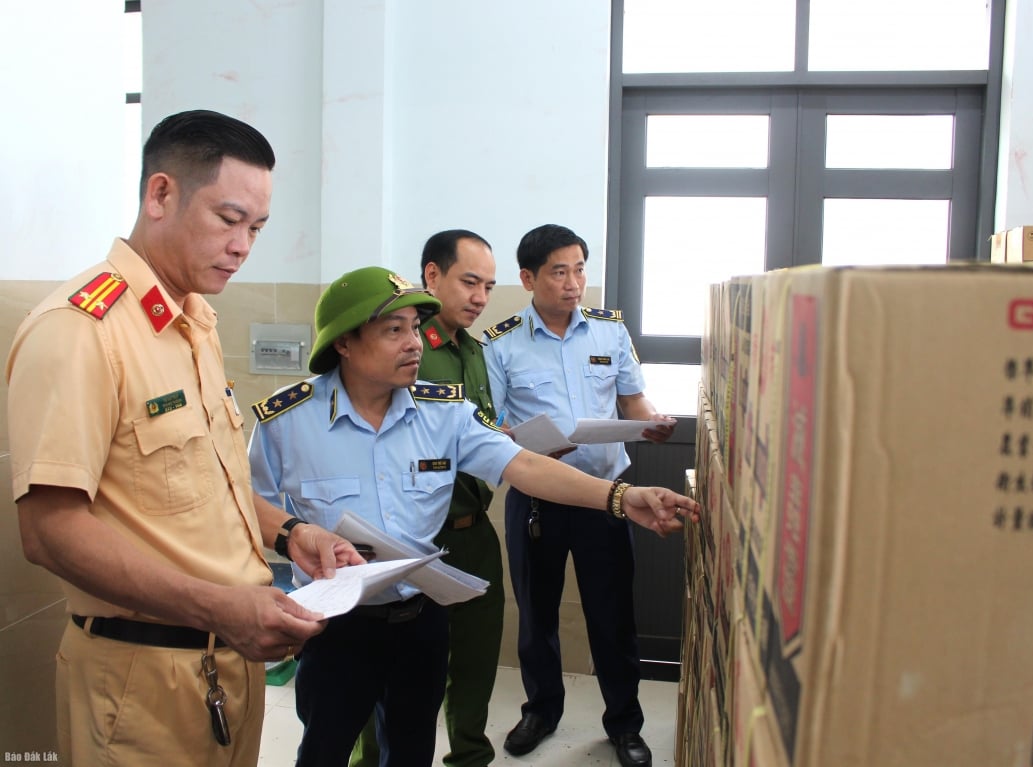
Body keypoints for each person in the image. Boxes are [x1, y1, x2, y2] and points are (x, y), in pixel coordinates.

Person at [5, 109, 362, 767]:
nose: (243, 245)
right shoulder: (81, 330)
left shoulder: (192, 321)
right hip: (139, 681)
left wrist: (291, 534)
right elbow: (49, 529)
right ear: (160, 194)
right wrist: (221, 605)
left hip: (225, 666)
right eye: (229, 220)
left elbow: (208, 481)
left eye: (256, 228)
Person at [247, 266, 697, 767]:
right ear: (344, 344)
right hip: (336, 627)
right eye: (394, 331)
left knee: (412, 746)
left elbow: (523, 465)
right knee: (326, 749)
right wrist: (290, 544)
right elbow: (247, 506)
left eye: (416, 328)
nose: (414, 343)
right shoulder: (287, 422)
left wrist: (620, 496)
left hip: (420, 618)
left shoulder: (444, 413)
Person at [482, 224, 676, 767]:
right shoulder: (500, 343)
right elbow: (491, 425)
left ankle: (625, 726)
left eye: (580, 269)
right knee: (536, 614)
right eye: (559, 272)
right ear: (528, 278)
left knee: (612, 617)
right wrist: (524, 446)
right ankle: (541, 711)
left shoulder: (609, 333)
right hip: (536, 502)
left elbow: (633, 402)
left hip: (607, 499)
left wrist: (651, 422)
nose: (574, 284)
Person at [351, 230, 502, 767]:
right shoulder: (398, 352)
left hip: (474, 531)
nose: (480, 297)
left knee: (477, 655)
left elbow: (480, 431)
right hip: (414, 536)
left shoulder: (477, 353)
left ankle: (469, 754)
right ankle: (371, 757)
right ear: (431, 276)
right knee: (389, 669)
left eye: (488, 285)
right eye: (469, 282)